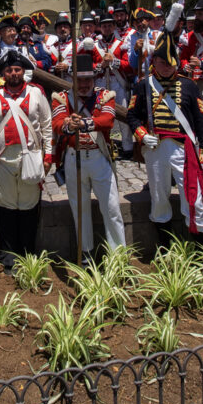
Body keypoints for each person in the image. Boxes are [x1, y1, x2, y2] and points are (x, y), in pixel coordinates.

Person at [128, 29, 203, 236]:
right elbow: (132, 116)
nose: (167, 67)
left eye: (171, 63)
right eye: (163, 63)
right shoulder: (143, 85)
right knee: (159, 197)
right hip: (155, 148)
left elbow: (200, 119)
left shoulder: (188, 85)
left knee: (193, 197)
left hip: (184, 148)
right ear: (154, 62)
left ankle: (200, 244)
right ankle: (164, 245)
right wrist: (142, 134)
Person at [0, 50, 53, 271]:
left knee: (29, 207)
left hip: (31, 156)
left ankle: (28, 254)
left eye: (17, 69)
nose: (13, 73)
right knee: (6, 208)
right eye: (9, 70)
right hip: (3, 158)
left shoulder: (37, 92)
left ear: (23, 71)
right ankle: (9, 257)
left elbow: (47, 126)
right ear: (3, 74)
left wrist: (48, 156)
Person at [52, 53, 126, 264]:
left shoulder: (105, 95)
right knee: (80, 209)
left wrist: (83, 123)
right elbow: (57, 123)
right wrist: (68, 125)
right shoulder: (61, 98)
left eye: (88, 80)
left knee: (111, 208)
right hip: (73, 158)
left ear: (94, 79)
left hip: (99, 157)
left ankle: (118, 256)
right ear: (72, 79)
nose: (84, 84)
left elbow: (108, 120)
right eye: (79, 80)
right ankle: (85, 255)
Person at [93, 11, 134, 159]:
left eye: (110, 25)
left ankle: (128, 147)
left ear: (114, 27)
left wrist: (114, 61)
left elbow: (128, 66)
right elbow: (90, 65)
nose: (107, 28)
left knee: (123, 114)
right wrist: (100, 65)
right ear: (100, 27)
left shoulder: (121, 44)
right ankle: (103, 145)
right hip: (100, 82)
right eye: (104, 26)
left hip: (118, 82)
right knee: (101, 114)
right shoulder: (94, 46)